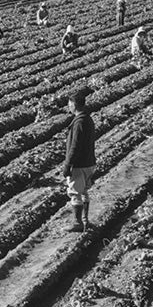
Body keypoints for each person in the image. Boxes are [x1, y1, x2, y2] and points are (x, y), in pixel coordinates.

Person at [62, 87, 96, 232]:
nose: (68, 107)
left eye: (69, 104)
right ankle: (85, 220)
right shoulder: (88, 119)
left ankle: (77, 223)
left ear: (74, 105)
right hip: (89, 162)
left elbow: (75, 146)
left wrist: (68, 164)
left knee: (75, 191)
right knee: (84, 191)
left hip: (80, 164)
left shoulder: (79, 122)